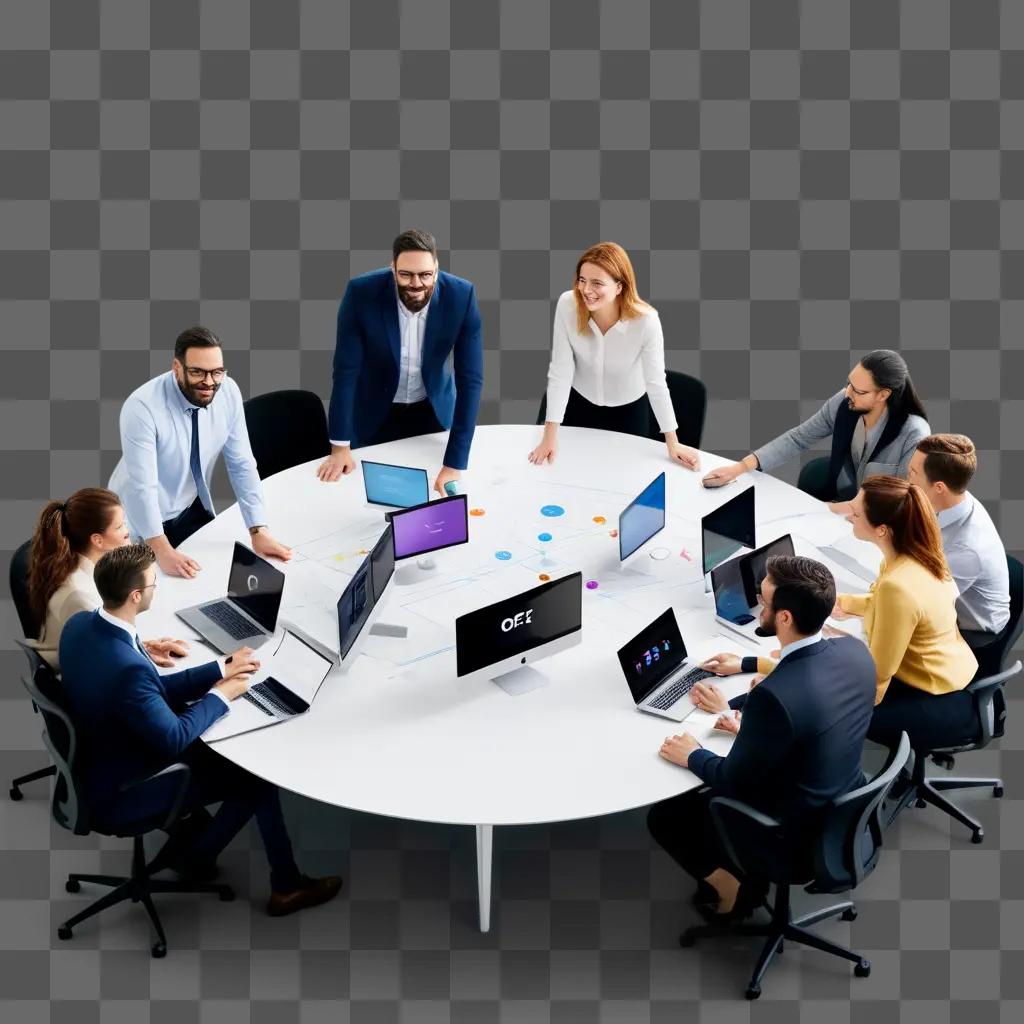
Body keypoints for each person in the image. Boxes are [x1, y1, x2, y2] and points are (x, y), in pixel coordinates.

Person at [59, 544, 343, 917]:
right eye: (152, 583)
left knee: (227, 757)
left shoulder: (81, 625)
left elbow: (148, 692)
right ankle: (284, 887)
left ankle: (200, 856)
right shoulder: (127, 666)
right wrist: (222, 696)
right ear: (135, 596)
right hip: (123, 787)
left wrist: (218, 670)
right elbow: (173, 735)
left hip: (101, 753)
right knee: (255, 781)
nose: (155, 587)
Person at [647, 556, 875, 921]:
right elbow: (812, 719)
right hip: (839, 803)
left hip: (791, 834)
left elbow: (731, 778)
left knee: (667, 816)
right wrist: (739, 718)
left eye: (765, 602)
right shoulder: (855, 653)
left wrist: (692, 754)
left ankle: (732, 891)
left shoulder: (776, 697)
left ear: (784, 618)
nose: (758, 606)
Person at [108, 326, 292, 579]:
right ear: (177, 367)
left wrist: (257, 529)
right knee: (148, 593)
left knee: (211, 578)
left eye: (217, 372)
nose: (209, 382)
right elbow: (143, 488)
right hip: (139, 521)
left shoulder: (227, 390)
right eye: (197, 372)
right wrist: (161, 549)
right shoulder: (142, 407)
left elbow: (241, 464)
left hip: (188, 505)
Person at [317, 229, 484, 497]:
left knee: (430, 498)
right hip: (373, 411)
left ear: (437, 270)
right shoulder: (361, 293)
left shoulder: (461, 296)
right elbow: (346, 372)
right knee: (363, 497)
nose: (416, 284)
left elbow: (471, 380)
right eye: (405, 274)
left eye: (425, 275)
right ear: (392, 268)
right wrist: (339, 446)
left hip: (432, 410)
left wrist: (455, 462)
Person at [829, 476, 978, 750]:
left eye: (857, 512)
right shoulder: (917, 555)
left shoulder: (896, 585)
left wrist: (843, 703)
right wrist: (842, 602)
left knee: (830, 713)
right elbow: (898, 607)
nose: (849, 515)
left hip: (932, 693)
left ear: (882, 530)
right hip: (954, 668)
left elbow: (879, 673)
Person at [527, 242, 700, 470]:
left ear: (619, 286)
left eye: (597, 283)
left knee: (625, 482)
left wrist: (673, 443)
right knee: (568, 476)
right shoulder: (568, 305)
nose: (586, 290)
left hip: (628, 413)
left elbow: (656, 383)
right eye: (582, 280)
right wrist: (549, 436)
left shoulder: (646, 321)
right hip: (578, 406)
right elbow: (561, 371)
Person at [702, 349, 930, 509]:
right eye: (849, 383)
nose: (848, 393)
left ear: (884, 394)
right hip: (842, 504)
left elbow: (905, 499)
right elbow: (798, 439)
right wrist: (739, 468)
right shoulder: (844, 402)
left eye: (859, 391)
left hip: (880, 521)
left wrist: (843, 510)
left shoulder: (914, 434)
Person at [25, 488, 188, 671]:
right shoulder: (81, 596)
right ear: (98, 540)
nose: (128, 534)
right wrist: (139, 652)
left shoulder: (84, 568)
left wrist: (144, 647)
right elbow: (108, 658)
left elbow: (105, 640)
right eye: (120, 528)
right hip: (80, 682)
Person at [908, 434, 1010, 635]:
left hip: (973, 630)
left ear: (939, 487)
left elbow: (921, 604)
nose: (907, 477)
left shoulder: (967, 548)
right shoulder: (952, 498)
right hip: (938, 592)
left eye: (913, 472)